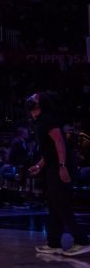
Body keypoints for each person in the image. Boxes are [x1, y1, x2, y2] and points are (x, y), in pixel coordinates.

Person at [27, 93, 89, 257]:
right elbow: (49, 151)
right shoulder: (40, 122)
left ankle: (82, 240)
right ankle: (54, 243)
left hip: (62, 166)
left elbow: (59, 142)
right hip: (54, 166)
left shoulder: (47, 119)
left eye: (34, 99)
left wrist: (62, 166)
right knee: (54, 205)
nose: (30, 100)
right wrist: (39, 165)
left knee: (60, 204)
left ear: (40, 104)